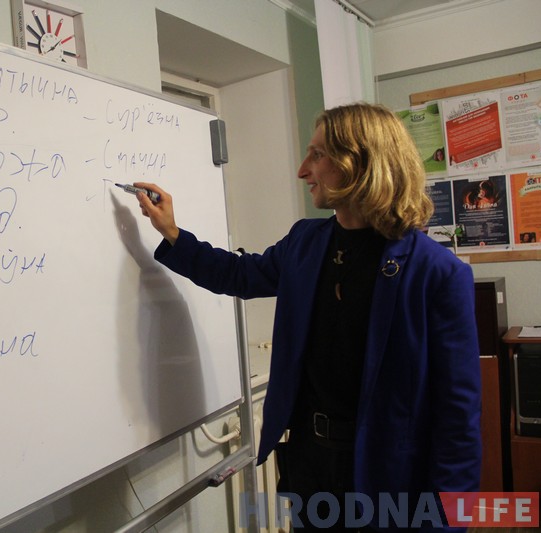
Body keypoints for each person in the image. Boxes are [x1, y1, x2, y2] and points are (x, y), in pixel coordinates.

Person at [133, 102, 481, 531]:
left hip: (387, 480)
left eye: (317, 155)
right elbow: (239, 274)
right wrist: (172, 232)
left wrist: (449, 522)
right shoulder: (306, 242)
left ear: (359, 163)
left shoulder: (437, 273)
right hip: (310, 467)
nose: (303, 170)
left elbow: (458, 416)